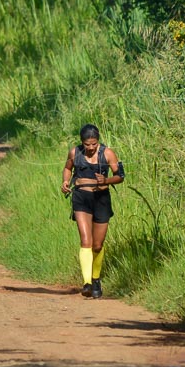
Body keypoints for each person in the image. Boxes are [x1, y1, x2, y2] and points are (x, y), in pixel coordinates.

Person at [60, 124, 124, 299]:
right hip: (81, 199)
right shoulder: (75, 153)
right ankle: (87, 283)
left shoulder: (108, 153)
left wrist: (107, 180)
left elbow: (121, 176)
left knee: (97, 245)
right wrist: (66, 182)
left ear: (98, 141)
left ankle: (96, 279)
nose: (90, 148)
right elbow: (67, 168)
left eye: (93, 144)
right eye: (87, 144)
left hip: (101, 200)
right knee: (86, 241)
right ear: (82, 142)